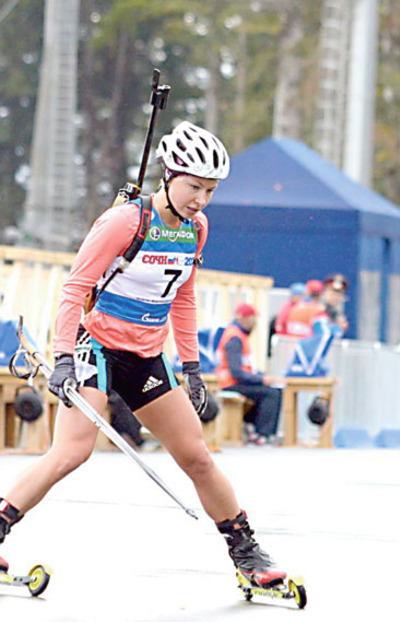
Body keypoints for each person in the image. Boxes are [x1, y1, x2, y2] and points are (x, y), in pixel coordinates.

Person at [0, 121, 286, 588]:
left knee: (197, 457)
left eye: (210, 191)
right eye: (194, 186)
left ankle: (248, 554)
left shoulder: (196, 227)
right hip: (99, 351)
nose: (200, 199)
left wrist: (191, 367)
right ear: (168, 175)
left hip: (149, 358)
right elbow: (74, 289)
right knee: (71, 453)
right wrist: (65, 355)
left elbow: (185, 298)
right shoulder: (125, 221)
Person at [215, 303, 282, 445]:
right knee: (272, 393)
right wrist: (262, 379)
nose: (254, 323)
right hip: (231, 383)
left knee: (269, 391)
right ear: (243, 318)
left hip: (235, 381)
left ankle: (254, 427)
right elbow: (237, 372)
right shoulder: (234, 337)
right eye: (252, 319)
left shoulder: (237, 335)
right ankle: (262, 434)